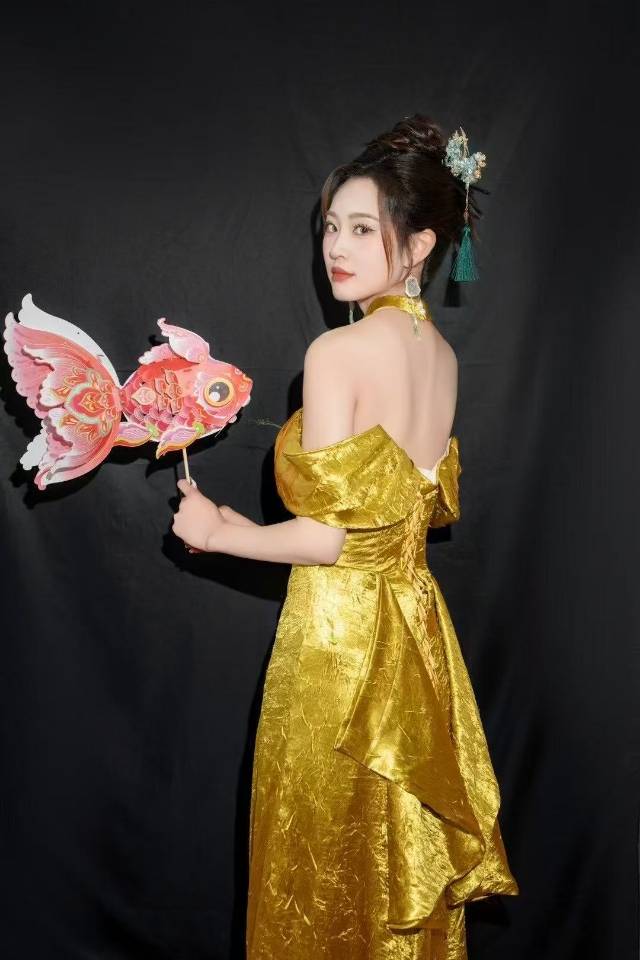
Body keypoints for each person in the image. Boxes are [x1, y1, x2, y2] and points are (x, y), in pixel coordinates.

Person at [171, 114, 519, 960]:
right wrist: (244, 528)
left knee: (319, 863)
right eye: (332, 226)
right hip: (416, 635)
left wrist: (220, 531)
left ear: (420, 244)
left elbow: (328, 543)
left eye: (364, 228)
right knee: (385, 864)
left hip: (339, 647)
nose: (336, 246)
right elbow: (388, 519)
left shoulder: (337, 352)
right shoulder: (442, 357)